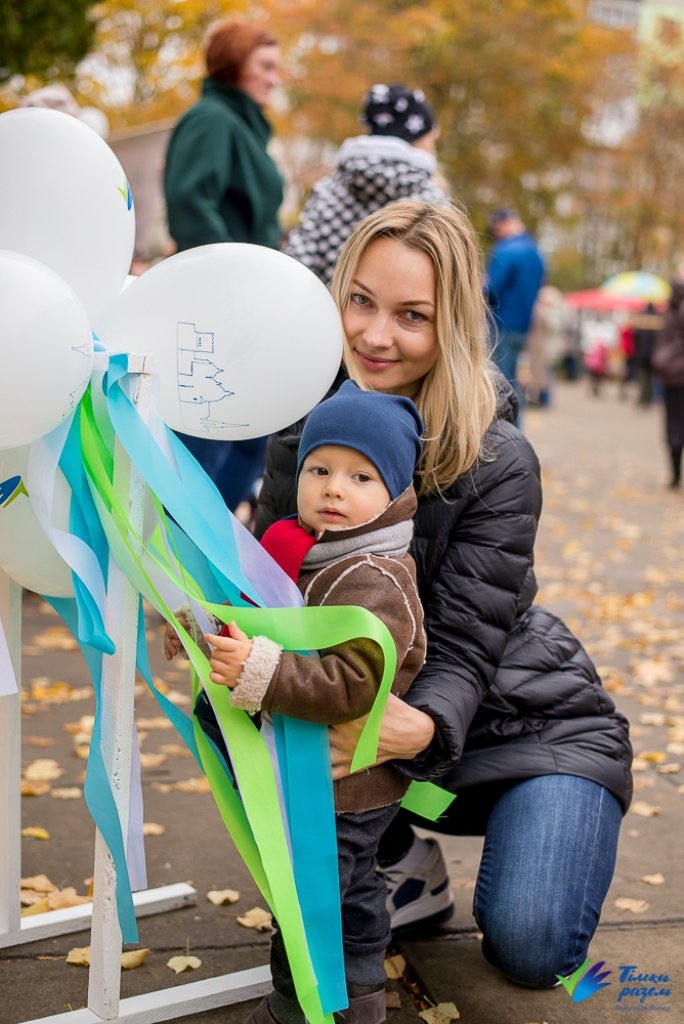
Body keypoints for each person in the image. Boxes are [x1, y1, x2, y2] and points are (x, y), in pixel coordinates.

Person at [256, 200, 632, 992]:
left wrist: (420, 724)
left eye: (412, 315)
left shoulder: (498, 459)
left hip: (519, 723)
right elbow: (278, 595)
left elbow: (463, 642)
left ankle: (541, 831)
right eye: (360, 301)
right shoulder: (305, 430)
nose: (374, 335)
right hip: (371, 708)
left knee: (531, 947)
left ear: (452, 324)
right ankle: (401, 864)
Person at [165, 380, 426, 1024]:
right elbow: (258, 613)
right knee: (330, 891)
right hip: (299, 765)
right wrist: (204, 628)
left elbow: (351, 685)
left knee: (315, 895)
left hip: (346, 780)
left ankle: (311, 1002)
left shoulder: (376, 578)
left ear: (395, 492)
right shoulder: (296, 545)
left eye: (361, 476)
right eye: (319, 469)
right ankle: (344, 998)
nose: (334, 489)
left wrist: (261, 670)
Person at [163, 18, 285, 514]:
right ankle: (175, 548)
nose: (276, 78)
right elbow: (191, 203)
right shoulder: (212, 120)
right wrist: (231, 284)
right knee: (210, 440)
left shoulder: (245, 128)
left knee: (250, 437)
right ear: (234, 65)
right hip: (219, 309)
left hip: (249, 305)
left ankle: (203, 542)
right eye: (266, 66)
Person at [284, 83, 448, 284]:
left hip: (325, 303)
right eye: (431, 139)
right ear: (417, 140)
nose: (433, 148)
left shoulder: (328, 192)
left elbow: (297, 266)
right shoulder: (432, 202)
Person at [485, 208, 545, 426]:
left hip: (502, 325)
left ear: (503, 224)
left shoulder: (506, 249)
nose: (495, 233)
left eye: (496, 228)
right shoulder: (536, 252)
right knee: (512, 380)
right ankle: (515, 430)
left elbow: (491, 289)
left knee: (499, 383)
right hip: (523, 326)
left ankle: (507, 432)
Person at [651, 272, 684, 489]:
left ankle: (675, 474)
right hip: (674, 376)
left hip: (672, 376)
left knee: (673, 425)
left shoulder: (672, 312)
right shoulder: (673, 312)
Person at [632, 302, 662, 407]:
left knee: (644, 377)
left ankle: (644, 398)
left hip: (642, 355)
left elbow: (635, 340)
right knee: (651, 378)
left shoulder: (641, 323)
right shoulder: (657, 323)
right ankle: (648, 398)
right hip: (652, 355)